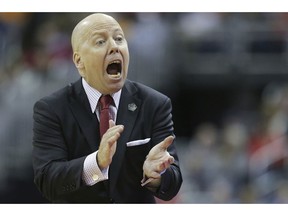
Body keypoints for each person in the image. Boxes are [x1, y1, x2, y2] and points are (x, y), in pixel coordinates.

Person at [32, 12, 182, 203]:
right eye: (100, 42)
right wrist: (96, 163)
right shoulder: (51, 109)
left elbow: (173, 182)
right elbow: (47, 181)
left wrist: (158, 176)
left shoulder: (155, 104)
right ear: (79, 61)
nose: (114, 46)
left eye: (119, 39)